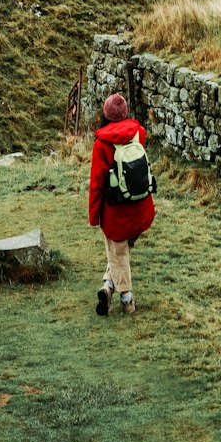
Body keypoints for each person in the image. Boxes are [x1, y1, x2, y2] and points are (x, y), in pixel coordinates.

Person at [88, 91, 155, 316]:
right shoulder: (139, 134)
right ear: (125, 113)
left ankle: (127, 300)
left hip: (115, 213)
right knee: (120, 252)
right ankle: (108, 286)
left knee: (119, 253)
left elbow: (97, 184)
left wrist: (93, 216)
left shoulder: (101, 145)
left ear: (105, 115)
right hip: (140, 208)